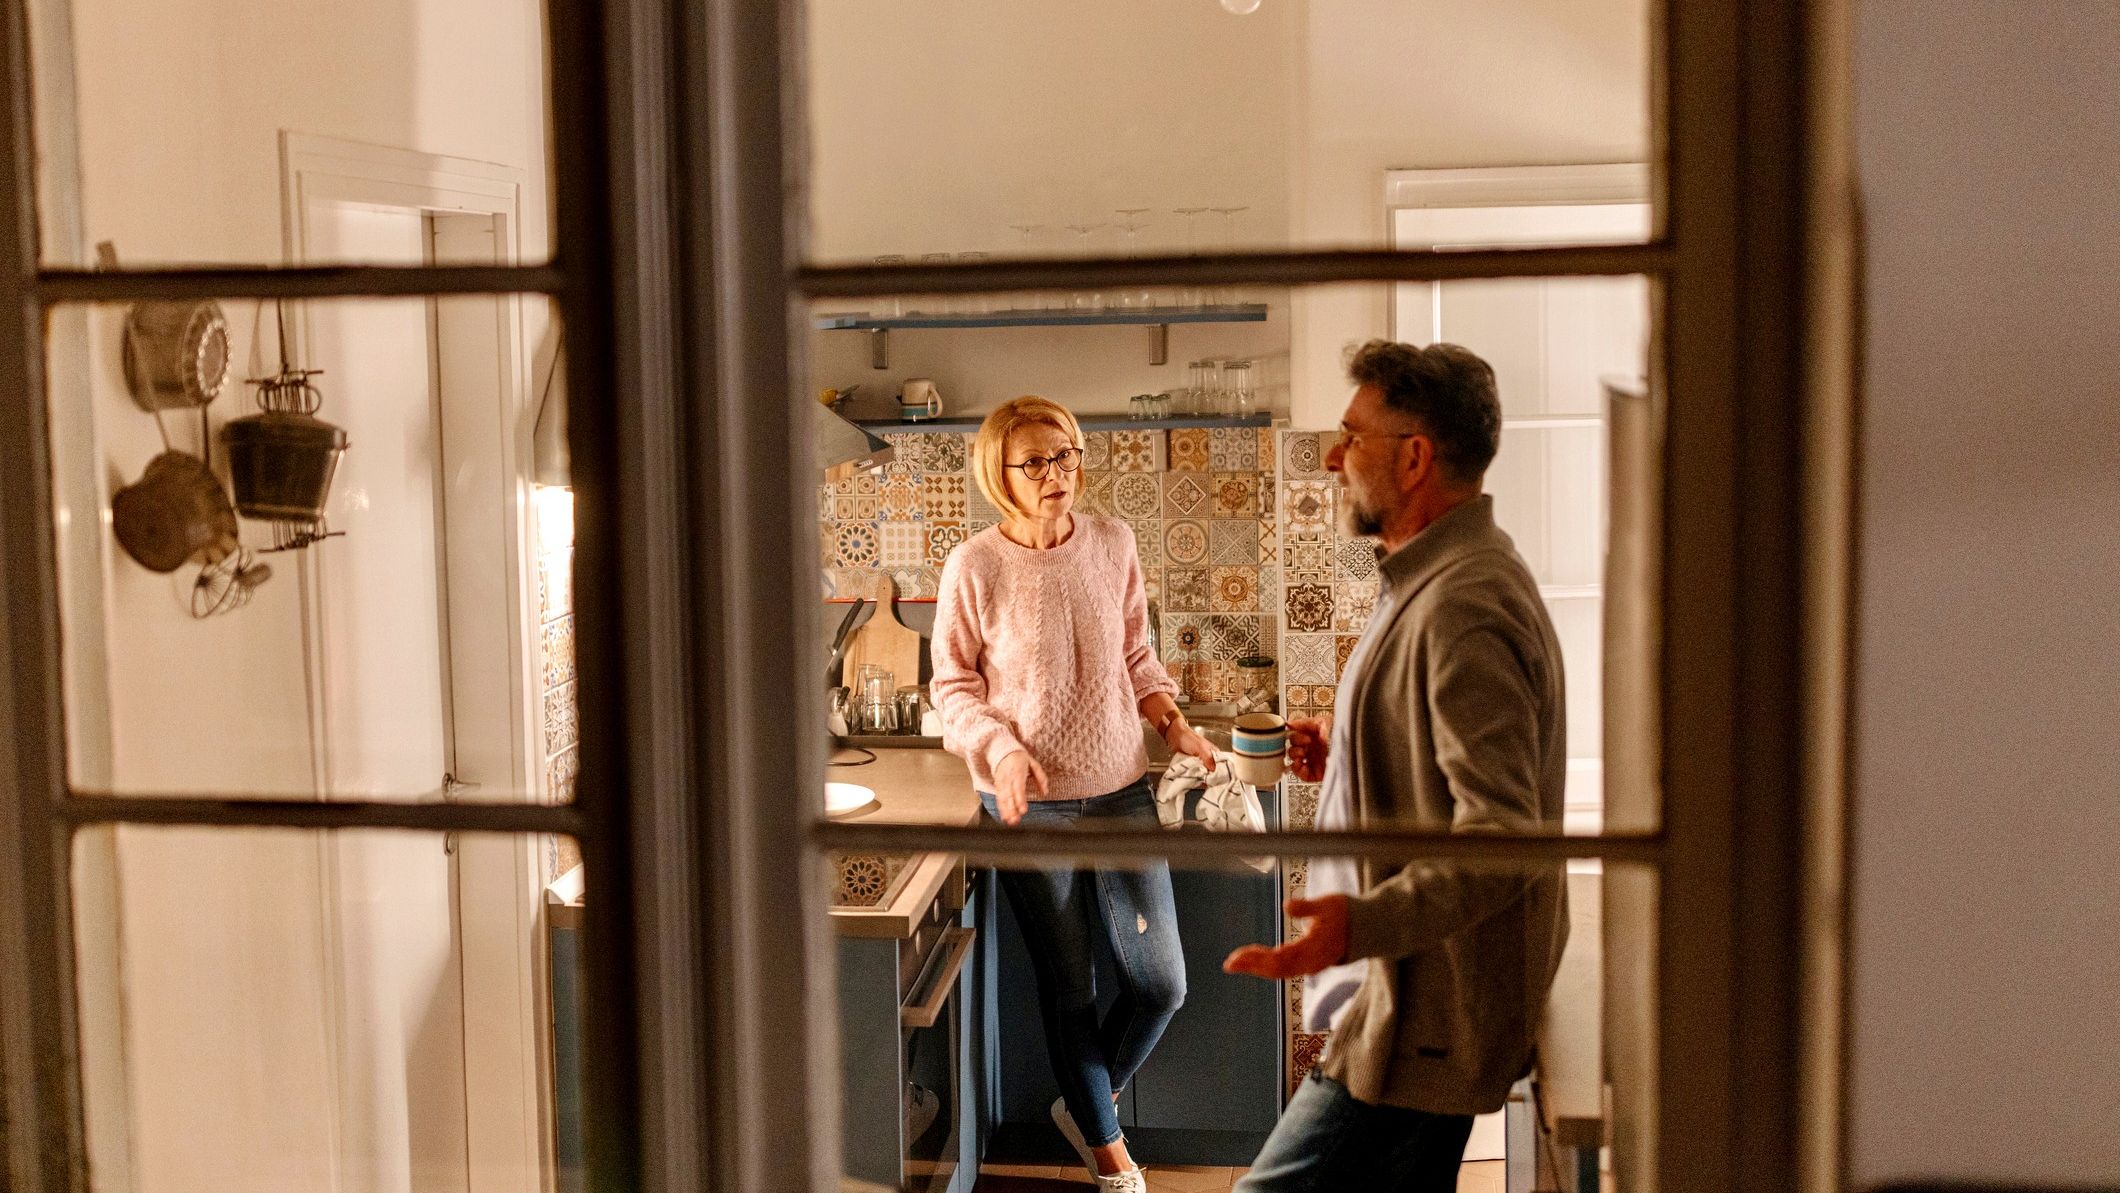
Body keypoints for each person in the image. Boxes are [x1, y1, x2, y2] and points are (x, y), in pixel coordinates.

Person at [1222, 341, 1570, 1192]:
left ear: (1415, 457)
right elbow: (1447, 757)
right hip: (1406, 1002)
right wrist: (1350, 753)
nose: (1336, 458)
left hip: (1425, 1014)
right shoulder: (1430, 577)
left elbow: (1501, 835)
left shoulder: (1463, 605)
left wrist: (1360, 925)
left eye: (1353, 436)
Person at [931, 395, 1218, 1193]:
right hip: (1028, 806)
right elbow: (952, 689)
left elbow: (1138, 655)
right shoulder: (974, 566)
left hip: (1121, 787)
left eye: (1066, 455)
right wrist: (1004, 751)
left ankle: (1088, 1104)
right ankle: (1111, 1157)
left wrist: (1174, 726)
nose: (1057, 474)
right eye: (1036, 462)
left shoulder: (1112, 543)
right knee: (1071, 987)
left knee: (1162, 982)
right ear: (1002, 474)